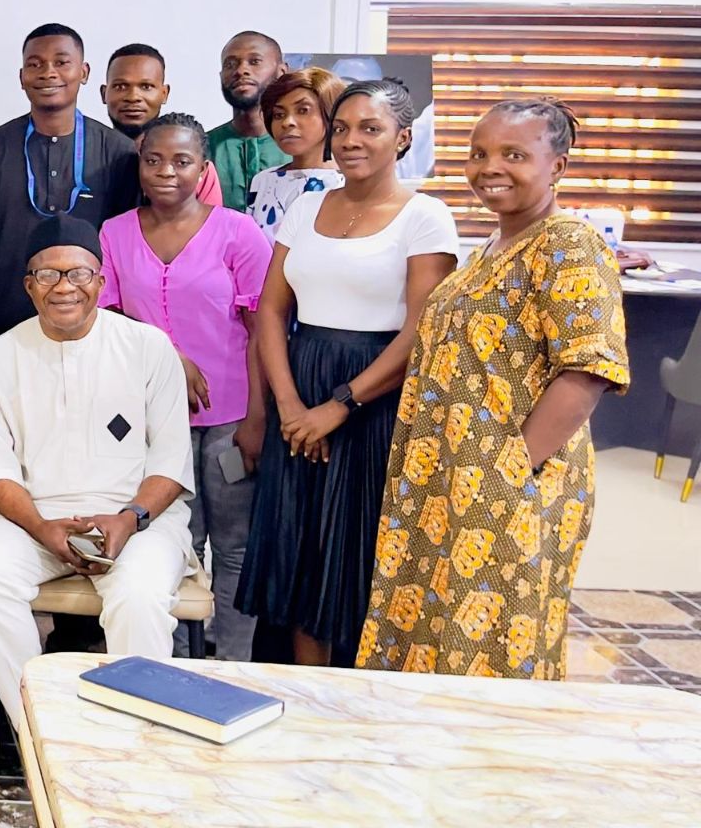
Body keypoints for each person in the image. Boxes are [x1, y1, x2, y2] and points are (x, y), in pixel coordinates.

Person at [358, 101, 627, 679]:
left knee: (493, 647)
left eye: (514, 155)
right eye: (479, 153)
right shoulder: (492, 249)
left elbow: (586, 371)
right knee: (432, 629)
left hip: (509, 485)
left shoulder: (568, 245)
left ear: (557, 166)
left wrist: (509, 471)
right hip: (448, 481)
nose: (489, 167)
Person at [236, 79, 459, 668]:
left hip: (374, 397)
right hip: (299, 386)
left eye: (370, 128)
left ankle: (357, 699)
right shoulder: (307, 205)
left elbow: (419, 333)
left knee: (353, 551)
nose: (351, 140)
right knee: (301, 551)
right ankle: (305, 694)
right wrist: (289, 407)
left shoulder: (426, 216)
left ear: (403, 138)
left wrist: (337, 408)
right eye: (342, 128)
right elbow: (271, 313)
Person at [0, 216, 195, 720]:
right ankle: (43, 730)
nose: (64, 287)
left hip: (137, 520)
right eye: (48, 275)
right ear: (29, 286)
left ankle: (135, 742)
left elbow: (172, 462)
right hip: (35, 519)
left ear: (101, 282)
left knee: (139, 593)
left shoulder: (148, 348)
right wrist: (43, 528)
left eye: (79, 274)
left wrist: (127, 520)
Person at [97, 115, 270, 660]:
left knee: (234, 545)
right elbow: (108, 320)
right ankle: (171, 660)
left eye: (182, 161)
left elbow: (264, 329)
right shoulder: (115, 232)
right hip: (150, 418)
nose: (166, 172)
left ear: (203, 167)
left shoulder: (238, 232)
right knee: (170, 542)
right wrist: (170, 356)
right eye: (153, 161)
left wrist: (258, 418)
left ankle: (233, 662)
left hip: (230, 416)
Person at [0, 23, 140, 365]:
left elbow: (126, 259)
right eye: (35, 64)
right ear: (21, 76)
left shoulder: (119, 152)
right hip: (5, 336)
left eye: (61, 62)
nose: (48, 72)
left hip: (94, 340)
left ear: (83, 72)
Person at [103, 44, 221, 206]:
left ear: (164, 94)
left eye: (146, 87)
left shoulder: (194, 166)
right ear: (104, 93)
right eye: (121, 86)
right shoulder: (89, 157)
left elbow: (213, 227)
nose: (133, 97)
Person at [246, 66, 347, 241]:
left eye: (303, 110)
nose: (287, 122)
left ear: (331, 113)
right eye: (278, 114)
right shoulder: (263, 180)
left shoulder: (348, 183)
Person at [208, 30, 290, 211]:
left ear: (281, 72)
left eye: (255, 62)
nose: (241, 70)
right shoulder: (202, 148)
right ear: (221, 76)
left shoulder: (301, 149)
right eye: (230, 64)